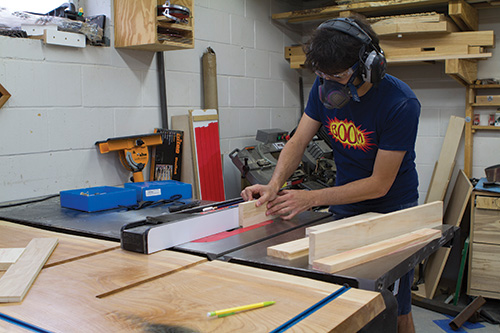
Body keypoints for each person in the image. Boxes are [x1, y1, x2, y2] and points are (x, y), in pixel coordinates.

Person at [241, 15, 420, 333]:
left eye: (336, 76)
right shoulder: (324, 89)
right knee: (343, 295)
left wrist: (311, 198)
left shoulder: (401, 103)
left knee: (394, 306)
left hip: (392, 209)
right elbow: (297, 141)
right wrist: (273, 185)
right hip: (346, 202)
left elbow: (380, 184)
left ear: (370, 66)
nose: (327, 86)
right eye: (322, 76)